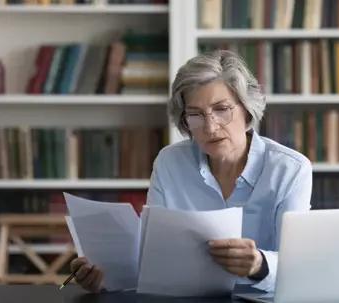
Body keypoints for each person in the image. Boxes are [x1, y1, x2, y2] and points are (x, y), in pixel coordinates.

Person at [69, 50, 313, 294]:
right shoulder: (169, 162)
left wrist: (259, 264)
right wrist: (105, 278)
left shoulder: (290, 169)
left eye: (221, 109)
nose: (210, 126)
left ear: (247, 110)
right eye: (195, 115)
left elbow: (299, 267)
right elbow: (152, 260)